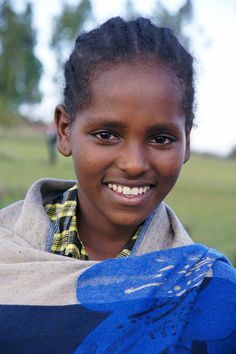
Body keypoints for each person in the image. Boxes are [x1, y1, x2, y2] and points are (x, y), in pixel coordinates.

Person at [0, 17, 235, 354]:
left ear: (186, 143)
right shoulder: (6, 256)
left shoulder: (207, 290)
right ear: (65, 131)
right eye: (106, 135)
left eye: (160, 138)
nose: (135, 163)